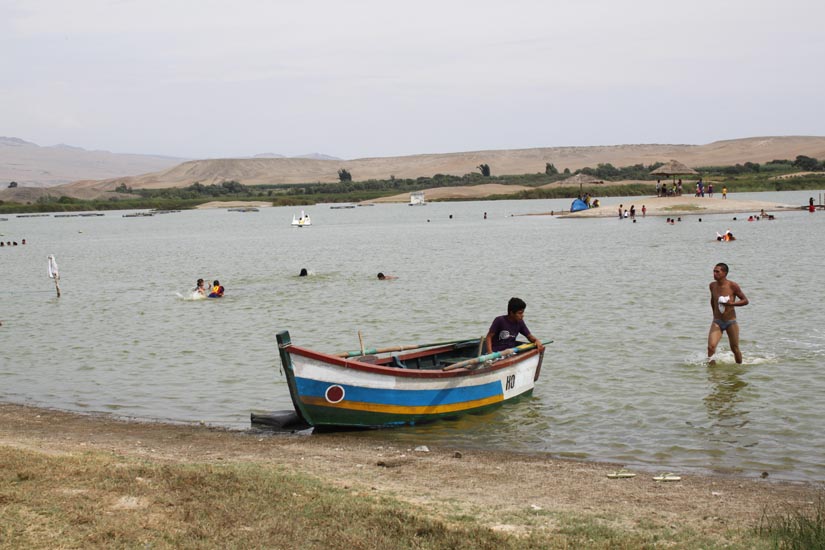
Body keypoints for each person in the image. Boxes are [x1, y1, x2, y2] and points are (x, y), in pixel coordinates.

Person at [707, 263, 749, 364]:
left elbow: (745, 300)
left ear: (724, 273)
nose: (714, 273)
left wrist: (732, 303)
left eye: (717, 271)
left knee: (735, 348)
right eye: (714, 271)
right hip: (717, 321)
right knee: (711, 348)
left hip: (731, 322)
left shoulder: (732, 285)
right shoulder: (712, 285)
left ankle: (739, 368)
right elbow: (713, 300)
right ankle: (712, 373)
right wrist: (714, 315)